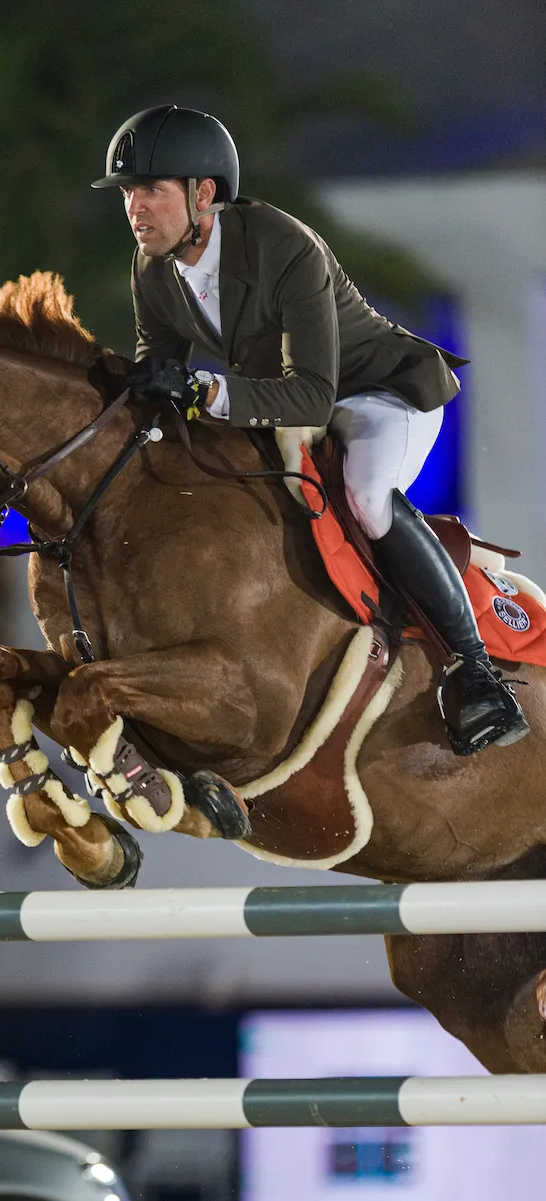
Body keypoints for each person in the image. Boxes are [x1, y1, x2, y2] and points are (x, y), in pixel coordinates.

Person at [93, 104, 528, 756]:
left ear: (203, 193)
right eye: (128, 192)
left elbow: (312, 395)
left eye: (150, 189)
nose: (135, 207)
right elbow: (161, 372)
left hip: (380, 395)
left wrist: (207, 391)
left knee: (367, 495)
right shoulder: (152, 267)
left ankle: (477, 674)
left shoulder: (280, 244)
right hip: (283, 405)